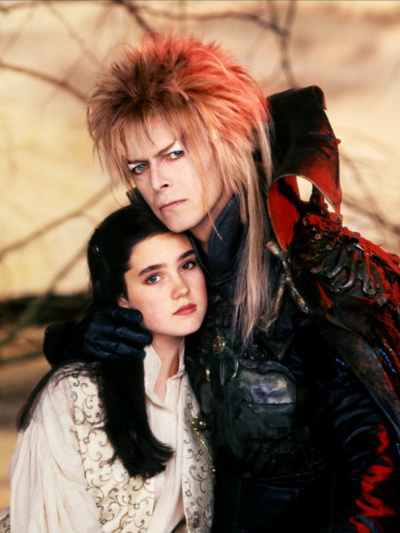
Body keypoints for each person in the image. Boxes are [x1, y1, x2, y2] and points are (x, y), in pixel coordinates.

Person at [43, 33, 400, 532]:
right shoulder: (172, 264)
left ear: (226, 139)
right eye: (139, 166)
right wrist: (77, 339)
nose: (157, 182)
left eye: (174, 154)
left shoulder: (307, 265)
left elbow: (374, 453)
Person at [0, 198, 213, 533]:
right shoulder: (74, 395)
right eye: (153, 277)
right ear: (122, 298)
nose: (181, 289)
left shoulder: (210, 382)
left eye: (187, 265)